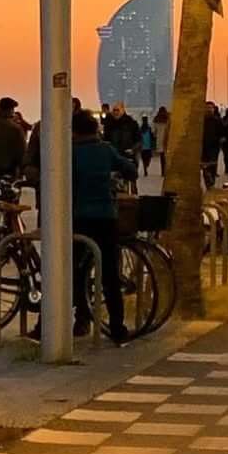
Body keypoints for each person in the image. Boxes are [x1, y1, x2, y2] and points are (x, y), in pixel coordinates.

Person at [71, 109, 137, 343]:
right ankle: (117, 328)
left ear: (74, 132)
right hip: (107, 217)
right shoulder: (105, 149)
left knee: (75, 271)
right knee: (109, 273)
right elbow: (131, 170)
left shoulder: (71, 153)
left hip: (78, 218)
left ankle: (81, 320)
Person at [201, 102, 222, 186]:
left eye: (210, 108)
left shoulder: (217, 121)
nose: (209, 109)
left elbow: (222, 132)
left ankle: (211, 182)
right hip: (203, 148)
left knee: (212, 167)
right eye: (207, 108)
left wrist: (221, 140)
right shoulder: (201, 121)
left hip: (214, 148)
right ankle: (208, 182)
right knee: (205, 167)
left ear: (213, 109)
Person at [153, 106, 170, 177]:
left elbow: (154, 132)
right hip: (168, 139)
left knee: (162, 157)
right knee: (168, 156)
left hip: (160, 140)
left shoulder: (156, 120)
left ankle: (163, 171)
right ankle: (167, 170)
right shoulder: (168, 119)